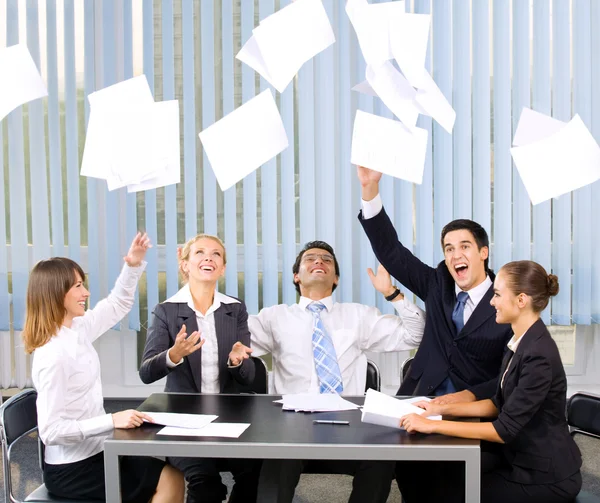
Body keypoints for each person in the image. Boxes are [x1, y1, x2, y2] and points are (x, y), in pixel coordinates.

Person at [249, 240, 426, 503]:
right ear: (297, 276)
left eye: (327, 259)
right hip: (291, 426)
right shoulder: (274, 317)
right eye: (310, 258)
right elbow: (232, 340)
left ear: (336, 279)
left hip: (349, 424)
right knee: (276, 464)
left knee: (380, 460)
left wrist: (392, 294)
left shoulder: (359, 316)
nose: (319, 261)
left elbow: (416, 334)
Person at [399, 260, 582, 503]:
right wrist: (439, 409)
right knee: (433, 472)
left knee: (445, 494)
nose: (491, 302)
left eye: (496, 294)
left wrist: (431, 425)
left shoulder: (538, 355)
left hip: (544, 474)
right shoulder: (520, 340)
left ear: (521, 300)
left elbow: (503, 429)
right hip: (516, 454)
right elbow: (498, 402)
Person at [24, 232, 184, 502]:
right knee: (170, 480)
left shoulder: (76, 328)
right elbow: (51, 432)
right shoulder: (53, 355)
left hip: (98, 450)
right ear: (55, 293)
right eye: (77, 286)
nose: (85, 292)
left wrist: (132, 266)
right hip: (73, 469)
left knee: (174, 477)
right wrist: (111, 420)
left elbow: (117, 304)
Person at [357, 165, 512, 402]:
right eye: (449, 249)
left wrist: (467, 399)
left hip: (472, 409)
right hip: (418, 399)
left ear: (483, 253)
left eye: (464, 246)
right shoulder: (437, 284)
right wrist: (370, 189)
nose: (455, 255)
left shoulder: (507, 300)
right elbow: (391, 251)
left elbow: (508, 375)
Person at [139, 234, 261, 503]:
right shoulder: (166, 311)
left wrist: (238, 361)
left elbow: (249, 378)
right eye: (200, 253)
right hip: (183, 421)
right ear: (185, 264)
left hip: (228, 418)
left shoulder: (235, 309)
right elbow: (146, 373)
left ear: (223, 267)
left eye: (216, 254)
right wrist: (173, 354)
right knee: (206, 484)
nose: (209, 257)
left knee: (257, 471)